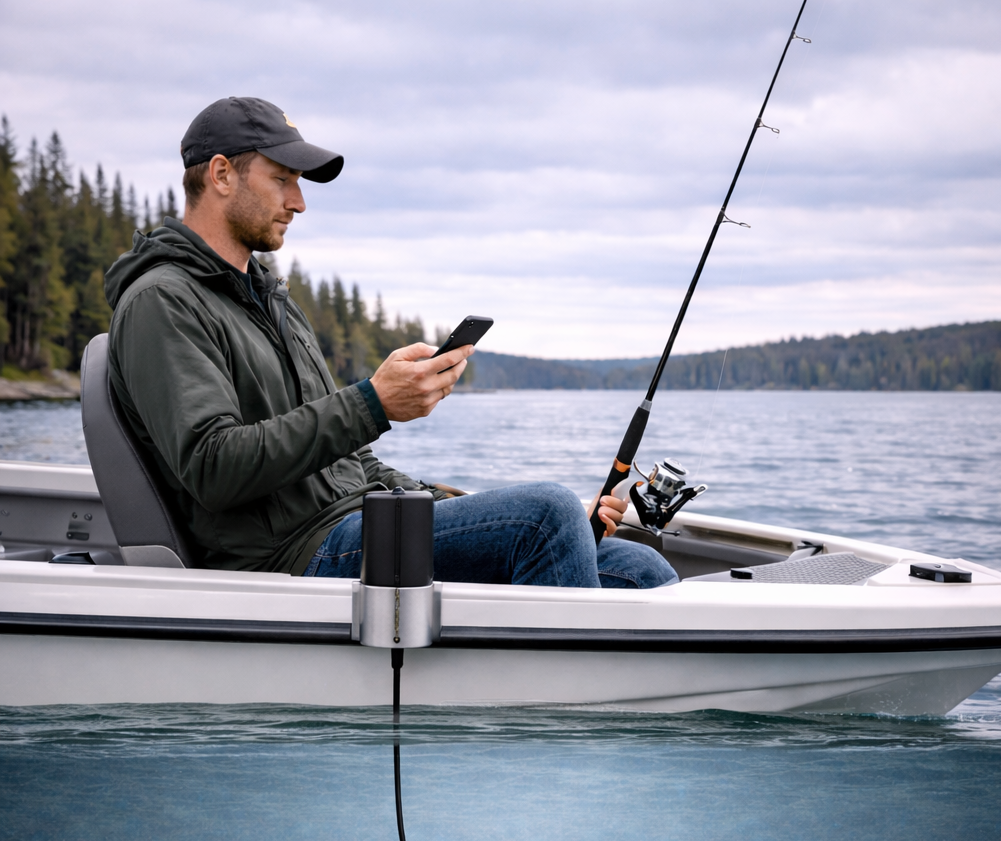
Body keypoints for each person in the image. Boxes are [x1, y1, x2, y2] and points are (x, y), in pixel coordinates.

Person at [104, 97, 677, 590]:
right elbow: (212, 466)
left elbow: (352, 463)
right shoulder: (163, 301)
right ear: (222, 174)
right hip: (290, 560)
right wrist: (372, 403)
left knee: (637, 566)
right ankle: (548, 688)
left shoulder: (270, 300)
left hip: (356, 527)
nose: (299, 202)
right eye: (282, 180)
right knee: (544, 515)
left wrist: (465, 508)